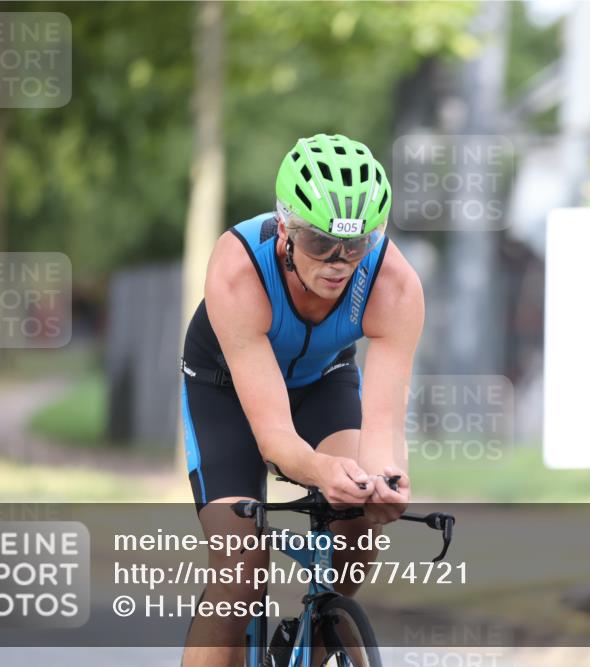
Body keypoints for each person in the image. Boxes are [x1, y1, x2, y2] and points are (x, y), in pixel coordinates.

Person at [179, 133, 423, 666]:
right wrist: (320, 469)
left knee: (359, 531)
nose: (339, 262)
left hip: (323, 379)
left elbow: (383, 427)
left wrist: (385, 479)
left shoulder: (394, 285)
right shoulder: (239, 268)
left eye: (356, 246)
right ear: (285, 228)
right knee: (240, 573)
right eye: (320, 244)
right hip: (224, 389)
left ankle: (316, 636)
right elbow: (277, 442)